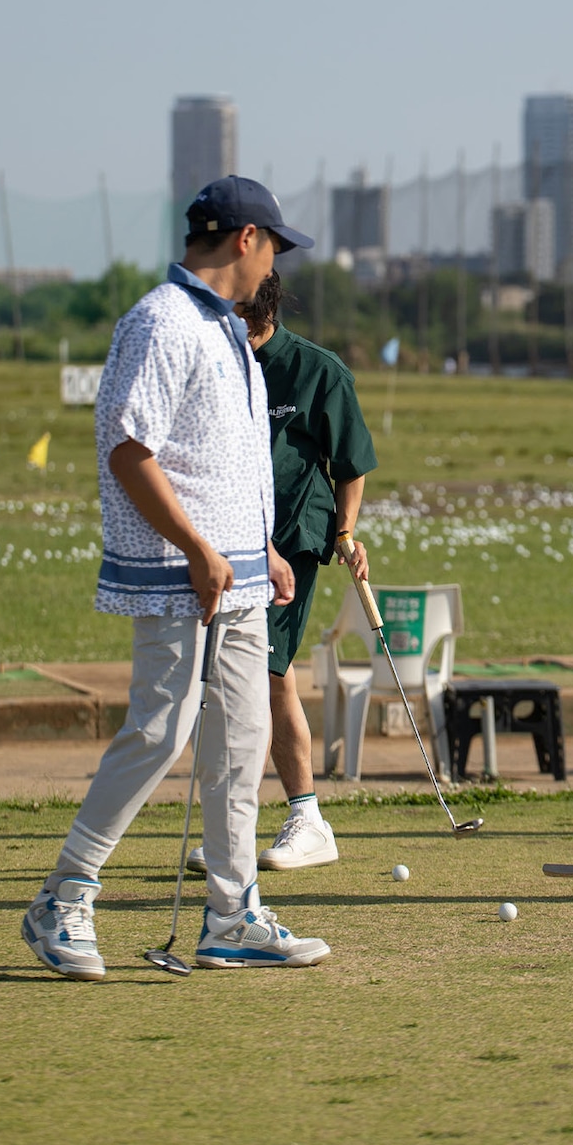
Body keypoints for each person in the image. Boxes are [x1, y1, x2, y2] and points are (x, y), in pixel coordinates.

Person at [21, 177, 332, 979]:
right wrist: (197, 547)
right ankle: (65, 896)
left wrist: (259, 546)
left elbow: (223, 457)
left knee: (241, 741)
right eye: (274, 248)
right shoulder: (161, 322)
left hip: (238, 575)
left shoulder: (225, 328)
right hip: (177, 573)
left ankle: (232, 913)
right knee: (160, 729)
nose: (274, 269)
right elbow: (130, 448)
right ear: (247, 240)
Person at [188, 270, 378, 875]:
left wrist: (345, 532)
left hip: (293, 535)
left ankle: (308, 819)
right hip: (225, 541)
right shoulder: (216, 363)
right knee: (229, 676)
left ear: (260, 314)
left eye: (238, 317)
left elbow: (350, 463)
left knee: (268, 670)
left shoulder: (317, 370)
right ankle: (234, 829)